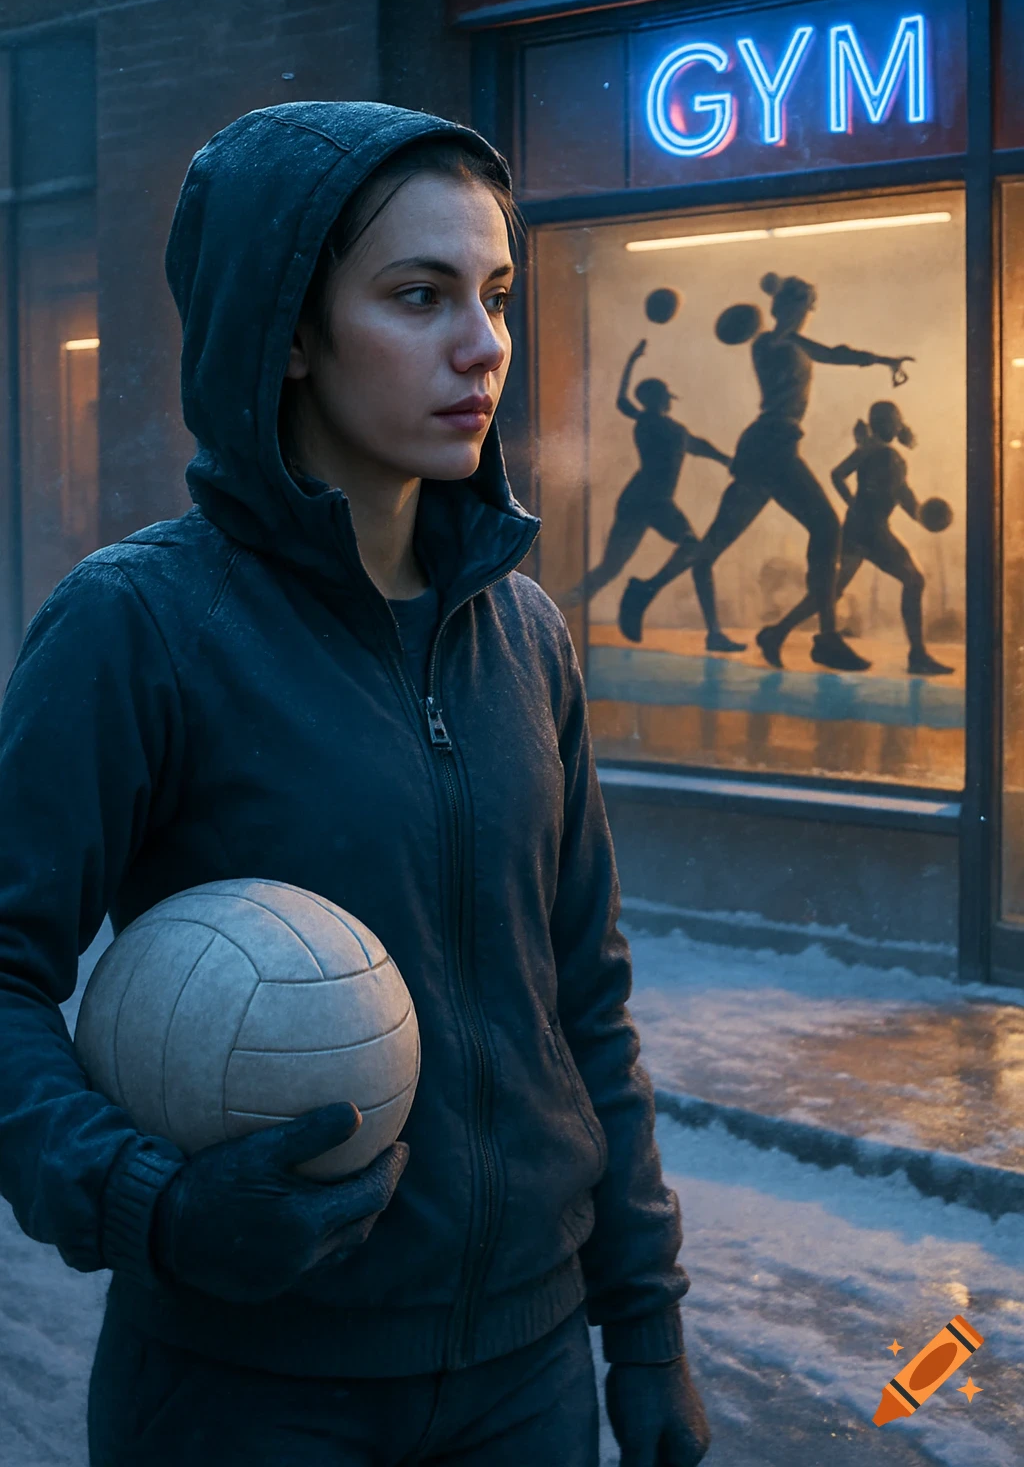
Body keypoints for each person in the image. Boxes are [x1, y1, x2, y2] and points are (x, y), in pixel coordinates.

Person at [0, 102, 710, 1467]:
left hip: (529, 1379)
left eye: (495, 295)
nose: (482, 343)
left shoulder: (527, 634)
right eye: (418, 296)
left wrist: (646, 1327)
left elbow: (586, 1007)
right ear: (292, 331)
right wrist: (148, 1202)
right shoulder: (138, 629)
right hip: (247, 1391)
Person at [618, 272, 914, 670]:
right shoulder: (772, 341)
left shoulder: (787, 340)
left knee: (712, 547)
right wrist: (880, 360)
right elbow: (829, 352)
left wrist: (879, 359)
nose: (806, 313)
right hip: (772, 447)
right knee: (826, 528)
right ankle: (825, 638)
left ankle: (645, 590)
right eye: (802, 304)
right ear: (786, 308)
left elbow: (828, 351)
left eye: (808, 306)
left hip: (764, 450)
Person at [565, 339, 744, 652]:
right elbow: (624, 401)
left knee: (682, 551)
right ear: (657, 398)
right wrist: (632, 362)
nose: (669, 401)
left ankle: (710, 630)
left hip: (651, 501)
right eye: (665, 396)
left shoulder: (671, 428)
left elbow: (698, 445)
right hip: (646, 501)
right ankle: (569, 603)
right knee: (620, 565)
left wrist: (727, 460)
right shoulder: (649, 421)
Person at [757, 400, 955, 675]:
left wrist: (922, 516)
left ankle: (775, 634)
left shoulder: (891, 456)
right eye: (882, 420)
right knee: (913, 580)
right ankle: (918, 655)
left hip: (864, 530)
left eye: (891, 420)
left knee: (829, 591)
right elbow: (838, 474)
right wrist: (853, 503)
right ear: (876, 425)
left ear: (898, 424)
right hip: (870, 531)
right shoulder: (871, 449)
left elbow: (902, 493)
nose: (888, 425)